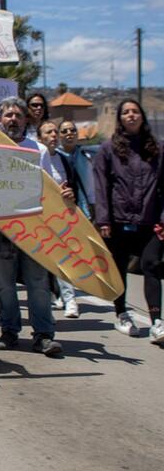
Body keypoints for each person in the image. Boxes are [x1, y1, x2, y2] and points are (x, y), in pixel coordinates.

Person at [0, 97, 69, 356]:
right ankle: (9, 330)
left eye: (18, 115)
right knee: (5, 285)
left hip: (34, 229)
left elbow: (51, 190)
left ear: (26, 120)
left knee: (38, 283)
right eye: (8, 115)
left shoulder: (39, 150)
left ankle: (43, 335)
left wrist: (64, 196)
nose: (13, 120)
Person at [93, 99, 163, 338]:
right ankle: (121, 314)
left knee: (151, 265)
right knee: (119, 268)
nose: (131, 115)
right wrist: (103, 221)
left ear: (142, 117)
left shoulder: (157, 149)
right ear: (120, 118)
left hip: (149, 221)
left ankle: (157, 321)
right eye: (126, 112)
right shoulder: (107, 150)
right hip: (118, 222)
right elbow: (101, 188)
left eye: (135, 111)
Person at [37, 120, 81, 319]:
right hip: (40, 218)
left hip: (62, 217)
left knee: (65, 259)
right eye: (48, 132)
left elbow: (74, 187)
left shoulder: (64, 160)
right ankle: (53, 297)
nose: (54, 136)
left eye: (56, 132)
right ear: (40, 138)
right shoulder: (34, 157)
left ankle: (70, 300)